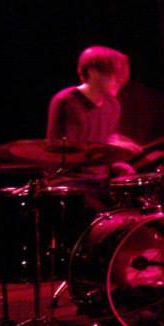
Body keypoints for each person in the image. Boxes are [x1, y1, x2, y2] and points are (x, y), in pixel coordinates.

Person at [46, 45, 138, 209]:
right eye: (113, 76)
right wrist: (110, 152)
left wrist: (116, 160)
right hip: (70, 181)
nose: (119, 82)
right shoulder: (66, 101)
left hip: (101, 180)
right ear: (93, 72)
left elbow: (105, 142)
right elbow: (60, 155)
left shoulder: (113, 105)